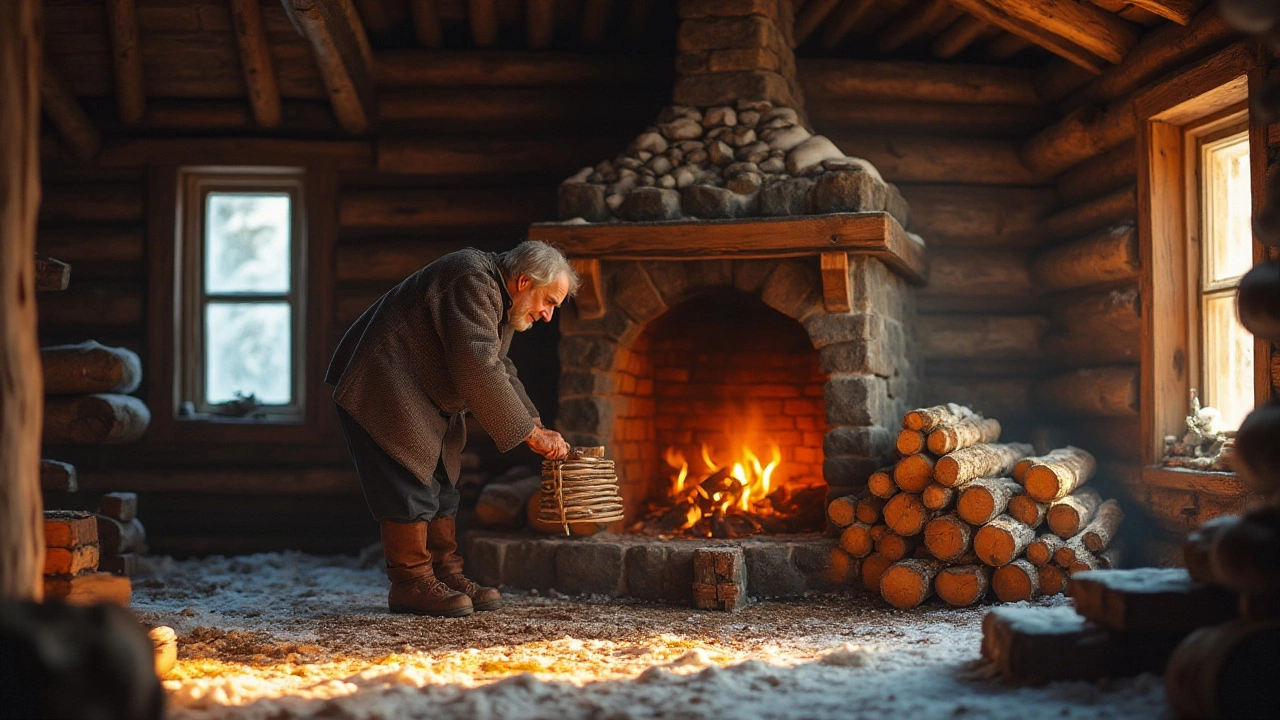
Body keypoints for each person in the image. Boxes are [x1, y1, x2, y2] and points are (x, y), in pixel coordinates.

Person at [326, 240, 577, 617]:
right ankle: (411, 584)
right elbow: (478, 365)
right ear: (524, 281)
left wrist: (534, 423)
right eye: (549, 302)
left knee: (443, 483)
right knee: (408, 485)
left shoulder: (497, 295)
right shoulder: (472, 278)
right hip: (384, 384)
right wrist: (529, 432)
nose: (547, 315)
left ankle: (445, 574)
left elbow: (499, 365)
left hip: (416, 392)